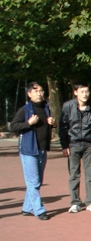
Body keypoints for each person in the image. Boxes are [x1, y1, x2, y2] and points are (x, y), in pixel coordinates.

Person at [10, 82, 57, 220]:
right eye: (36, 91)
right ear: (29, 94)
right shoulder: (25, 110)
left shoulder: (46, 108)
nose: (39, 94)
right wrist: (28, 123)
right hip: (28, 150)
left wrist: (53, 124)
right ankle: (39, 210)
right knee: (33, 182)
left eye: (41, 91)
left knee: (37, 181)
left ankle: (27, 208)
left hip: (42, 149)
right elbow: (13, 126)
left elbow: (48, 126)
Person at [59, 83, 91, 213]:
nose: (85, 94)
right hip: (73, 144)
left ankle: (90, 202)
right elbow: (63, 127)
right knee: (74, 174)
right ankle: (75, 202)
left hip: (89, 144)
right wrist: (64, 146)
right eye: (82, 91)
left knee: (90, 174)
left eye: (87, 91)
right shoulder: (68, 106)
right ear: (75, 92)